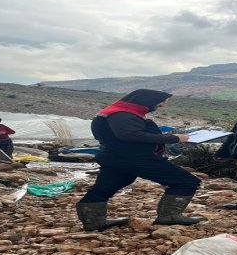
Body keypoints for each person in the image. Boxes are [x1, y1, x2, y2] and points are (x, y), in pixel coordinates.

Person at [75, 89, 203, 232]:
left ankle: (94, 222)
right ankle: (170, 216)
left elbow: (130, 135)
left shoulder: (116, 112)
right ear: (146, 101)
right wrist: (174, 138)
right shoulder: (122, 114)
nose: (161, 105)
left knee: (105, 187)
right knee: (186, 182)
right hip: (136, 158)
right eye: (160, 103)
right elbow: (131, 135)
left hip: (115, 157)